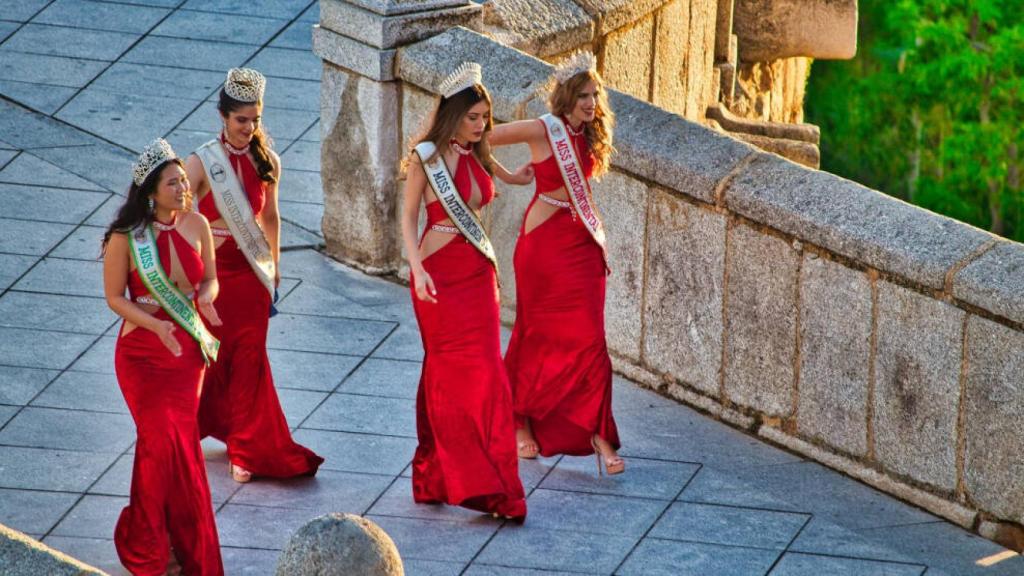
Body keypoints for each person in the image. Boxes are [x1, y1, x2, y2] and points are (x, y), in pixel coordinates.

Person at [400, 62, 533, 520]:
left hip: (478, 278)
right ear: (453, 114)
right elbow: (408, 217)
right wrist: (416, 270)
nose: (481, 127)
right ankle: (444, 474)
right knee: (447, 377)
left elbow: (497, 175)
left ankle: (496, 483)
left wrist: (517, 178)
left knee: (488, 377)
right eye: (474, 118)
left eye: (485, 118)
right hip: (436, 275)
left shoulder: (480, 148)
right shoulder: (426, 158)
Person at [489, 51, 624, 475]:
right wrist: (509, 177)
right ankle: (519, 418)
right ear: (566, 96)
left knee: (589, 337)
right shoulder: (541, 130)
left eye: (595, 95)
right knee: (537, 333)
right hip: (543, 249)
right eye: (583, 94)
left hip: (582, 246)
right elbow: (476, 136)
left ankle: (599, 432)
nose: (591, 103)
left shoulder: (589, 135)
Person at [184, 68, 322, 483]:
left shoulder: (268, 160)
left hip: (250, 276)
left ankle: (244, 448)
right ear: (223, 117)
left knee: (249, 362)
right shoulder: (202, 160)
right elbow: (178, 214)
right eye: (241, 120)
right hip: (213, 275)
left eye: (256, 120)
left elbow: (271, 217)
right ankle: (191, 426)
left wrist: (275, 266)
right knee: (211, 357)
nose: (249, 128)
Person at [102, 138, 224, 575]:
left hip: (186, 352)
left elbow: (209, 279)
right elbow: (115, 298)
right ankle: (148, 546)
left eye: (183, 183)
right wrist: (155, 324)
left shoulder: (198, 225)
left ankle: (182, 545)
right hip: (141, 352)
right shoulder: (126, 237)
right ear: (151, 191)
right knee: (158, 443)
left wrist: (207, 299)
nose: (183, 189)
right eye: (173, 183)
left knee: (180, 448)